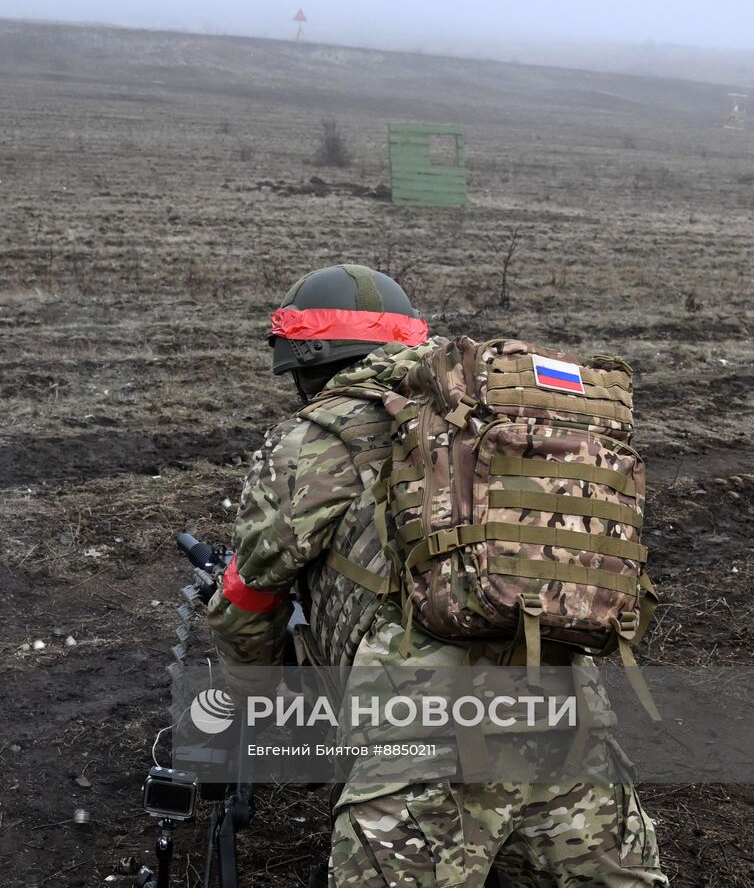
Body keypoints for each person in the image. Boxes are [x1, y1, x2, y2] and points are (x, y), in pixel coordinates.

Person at [206, 264, 667, 887]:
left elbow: (246, 601)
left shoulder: (315, 438)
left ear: (305, 367)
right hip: (567, 719)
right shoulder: (475, 420)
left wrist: (259, 703)